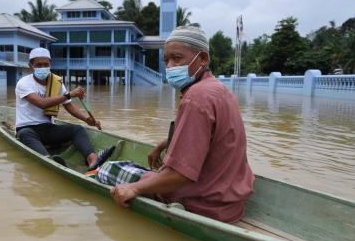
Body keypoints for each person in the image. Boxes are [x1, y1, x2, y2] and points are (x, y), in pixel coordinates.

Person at [107, 26, 255, 223]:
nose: (170, 67)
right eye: (166, 60)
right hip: (229, 203)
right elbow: (207, 135)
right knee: (145, 173)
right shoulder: (219, 90)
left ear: (203, 59)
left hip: (203, 204)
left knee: (109, 169)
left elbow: (180, 175)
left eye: (177, 58)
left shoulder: (196, 97)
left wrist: (134, 188)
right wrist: (162, 144)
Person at [15, 47, 113, 169]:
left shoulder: (56, 82)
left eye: (46, 64)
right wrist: (69, 94)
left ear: (50, 64)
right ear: (31, 66)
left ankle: (93, 160)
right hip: (28, 129)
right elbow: (42, 103)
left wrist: (87, 120)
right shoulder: (24, 83)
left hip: (48, 128)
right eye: (39, 65)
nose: (43, 67)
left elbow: (69, 106)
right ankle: (49, 160)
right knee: (24, 133)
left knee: (77, 129)